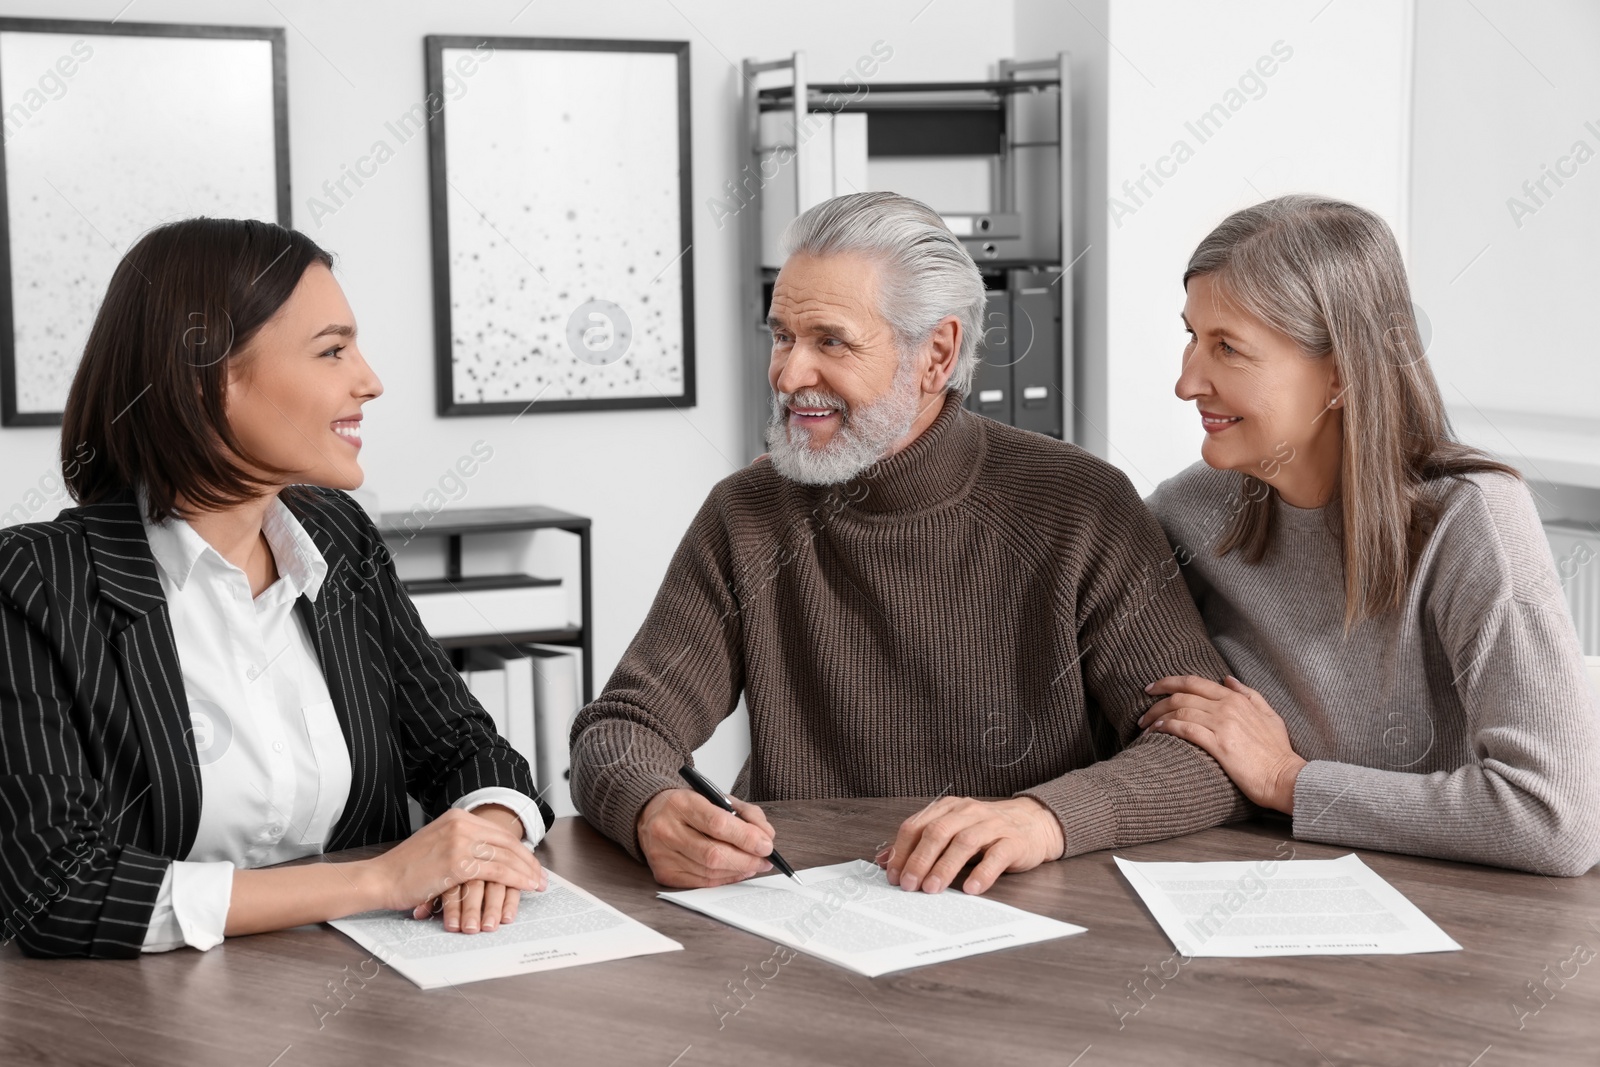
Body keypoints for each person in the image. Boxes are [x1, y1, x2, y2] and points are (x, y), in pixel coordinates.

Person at [570, 191, 1250, 896]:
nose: (788, 373)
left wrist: (1042, 818)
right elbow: (622, 726)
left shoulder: (1081, 506)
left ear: (937, 352)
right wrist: (653, 807)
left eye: (830, 340)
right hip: (799, 912)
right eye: (781, 336)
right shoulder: (746, 514)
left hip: (1032, 924)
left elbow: (1201, 757)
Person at [0, 218, 550, 959]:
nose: (370, 379)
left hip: (371, 991)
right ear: (210, 376)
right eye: (332, 350)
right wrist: (378, 880)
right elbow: (54, 889)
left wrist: (484, 841)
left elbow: (466, 749)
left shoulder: (337, 538)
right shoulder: (37, 582)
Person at [1143, 194, 1600, 876]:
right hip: (1266, 895)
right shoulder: (1186, 513)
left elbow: (1553, 819)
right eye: (1191, 336)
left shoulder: (1472, 519)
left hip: (1473, 923)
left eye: (1228, 348)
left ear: (1337, 373)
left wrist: (1288, 781)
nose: (1186, 382)